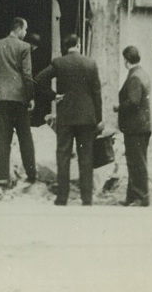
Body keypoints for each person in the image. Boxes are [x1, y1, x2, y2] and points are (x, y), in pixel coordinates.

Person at [36, 34, 103, 207]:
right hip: (87, 118)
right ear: (79, 44)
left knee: (63, 156)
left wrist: (54, 96)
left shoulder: (59, 63)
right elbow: (97, 93)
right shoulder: (90, 63)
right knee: (86, 157)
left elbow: (39, 79)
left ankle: (62, 198)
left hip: (65, 116)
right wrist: (99, 118)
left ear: (66, 47)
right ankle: (86, 199)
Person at [0, 17, 37, 189]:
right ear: (19, 29)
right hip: (20, 99)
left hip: (2, 98)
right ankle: (31, 175)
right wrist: (30, 97)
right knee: (25, 137)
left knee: (3, 139)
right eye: (25, 29)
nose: (26, 33)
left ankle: (1, 178)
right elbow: (27, 75)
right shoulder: (24, 47)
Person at [116, 45, 152, 207]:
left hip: (135, 126)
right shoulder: (142, 73)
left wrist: (119, 107)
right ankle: (132, 196)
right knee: (135, 160)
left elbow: (133, 101)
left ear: (127, 59)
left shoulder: (135, 77)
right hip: (141, 125)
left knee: (137, 162)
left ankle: (141, 197)